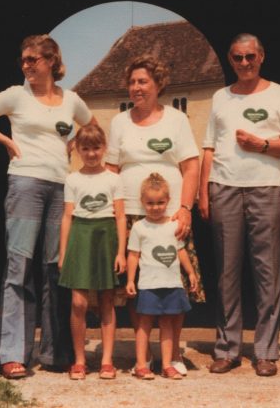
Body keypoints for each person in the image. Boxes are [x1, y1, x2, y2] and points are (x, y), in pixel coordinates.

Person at [0, 34, 95, 379]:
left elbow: (92, 129)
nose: (26, 65)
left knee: (55, 269)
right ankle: (12, 354)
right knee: (19, 267)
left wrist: (70, 149)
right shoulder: (15, 95)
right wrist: (5, 140)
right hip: (25, 184)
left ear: (51, 61)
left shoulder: (72, 100)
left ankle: (55, 351)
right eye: (24, 60)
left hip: (60, 188)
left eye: (33, 59)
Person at [199, 33, 280, 377]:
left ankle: (266, 352)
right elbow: (209, 147)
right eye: (238, 58)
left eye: (250, 57)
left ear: (261, 57)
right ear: (230, 60)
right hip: (224, 186)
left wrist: (261, 144)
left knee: (267, 270)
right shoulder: (220, 96)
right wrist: (204, 192)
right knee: (227, 270)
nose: (244, 63)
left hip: (266, 187)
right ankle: (227, 349)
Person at [105, 56, 203, 375]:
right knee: (137, 287)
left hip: (170, 215)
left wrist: (185, 209)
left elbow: (191, 166)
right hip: (131, 215)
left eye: (143, 81)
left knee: (174, 282)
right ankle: (142, 355)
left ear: (159, 84)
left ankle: (172, 354)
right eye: (132, 82)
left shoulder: (176, 119)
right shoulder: (119, 122)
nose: (136, 87)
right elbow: (110, 169)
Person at [58, 124, 127, 380]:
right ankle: (79, 360)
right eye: (85, 148)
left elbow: (120, 217)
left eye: (96, 148)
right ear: (77, 150)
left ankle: (107, 360)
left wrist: (120, 252)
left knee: (107, 300)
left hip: (105, 236)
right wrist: (63, 252)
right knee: (79, 302)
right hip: (80, 236)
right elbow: (67, 217)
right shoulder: (72, 179)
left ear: (104, 148)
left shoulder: (113, 179)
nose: (91, 154)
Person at [126, 173, 198, 380]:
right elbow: (133, 255)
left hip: (172, 283)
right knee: (144, 325)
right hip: (149, 285)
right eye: (150, 203)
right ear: (142, 202)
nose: (155, 207)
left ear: (168, 201)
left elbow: (181, 251)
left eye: (160, 202)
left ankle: (167, 365)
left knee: (168, 324)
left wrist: (190, 272)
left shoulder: (174, 226)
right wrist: (131, 280)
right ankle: (141, 364)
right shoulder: (139, 227)